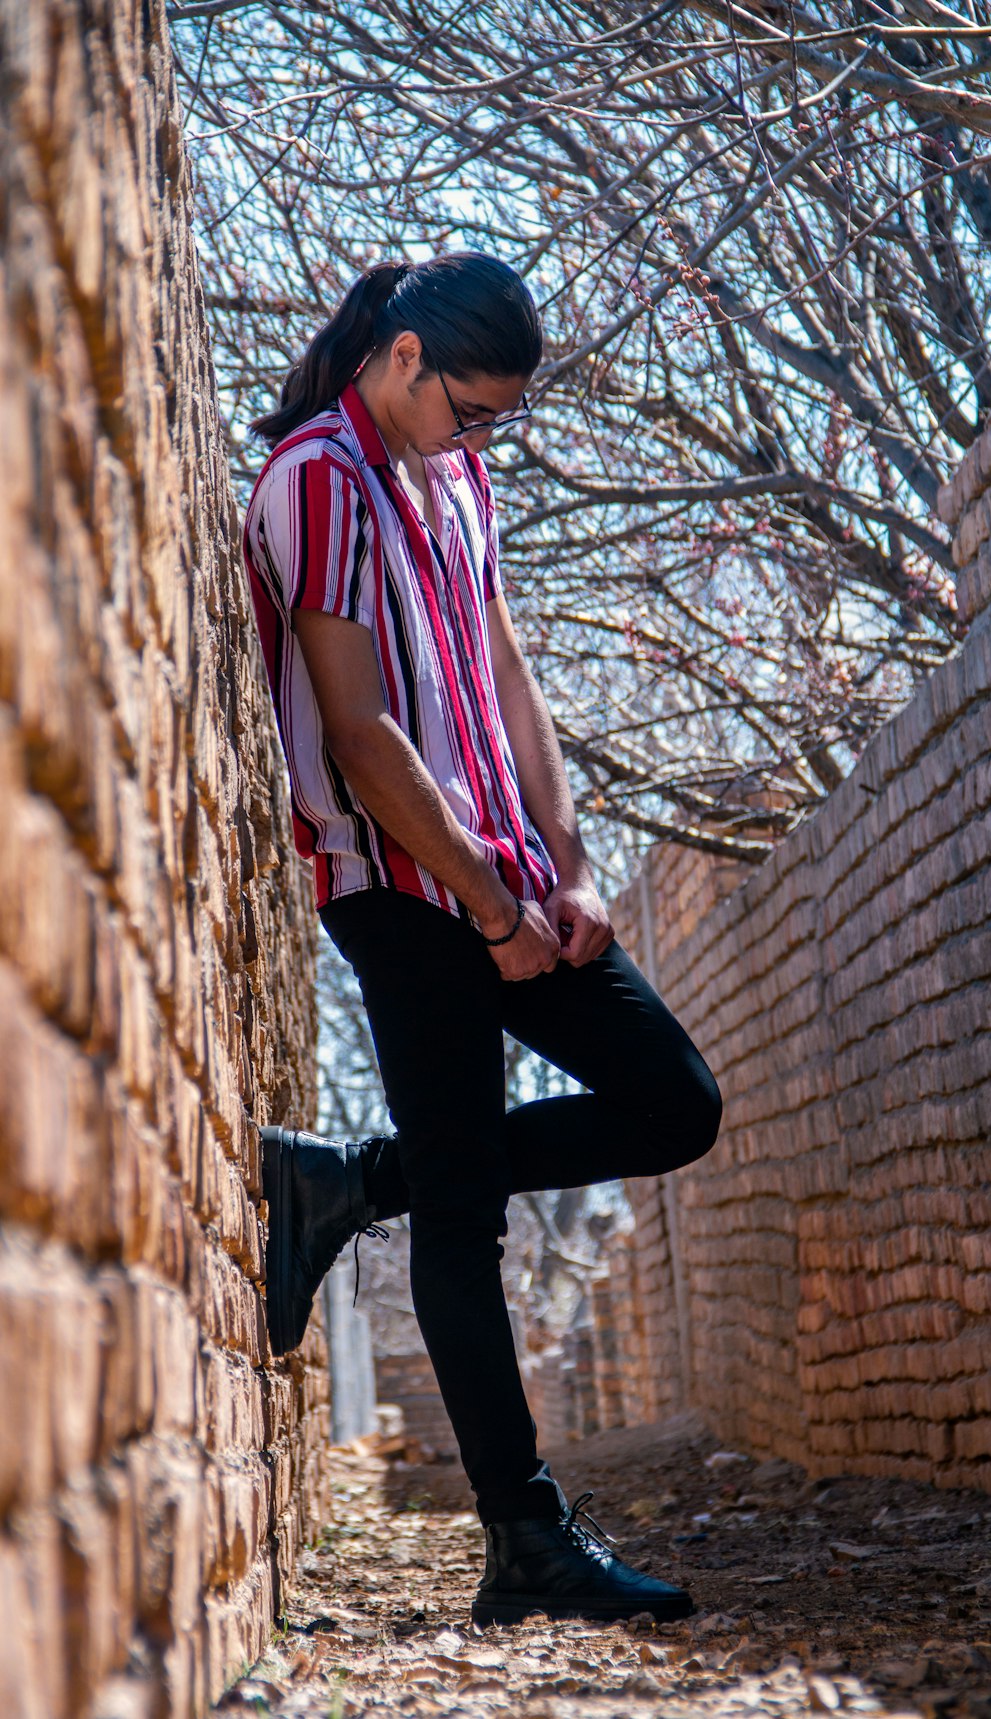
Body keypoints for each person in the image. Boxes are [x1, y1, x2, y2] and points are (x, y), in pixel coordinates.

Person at [241, 252, 723, 1626]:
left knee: (674, 1104)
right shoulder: (320, 480)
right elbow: (358, 734)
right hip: (400, 886)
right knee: (464, 1213)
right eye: (473, 408)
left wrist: (565, 871)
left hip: (514, 881)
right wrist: (491, 912)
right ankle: (524, 1542)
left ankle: (350, 1182)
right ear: (403, 361)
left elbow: (504, 669)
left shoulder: (452, 476)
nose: (481, 436)